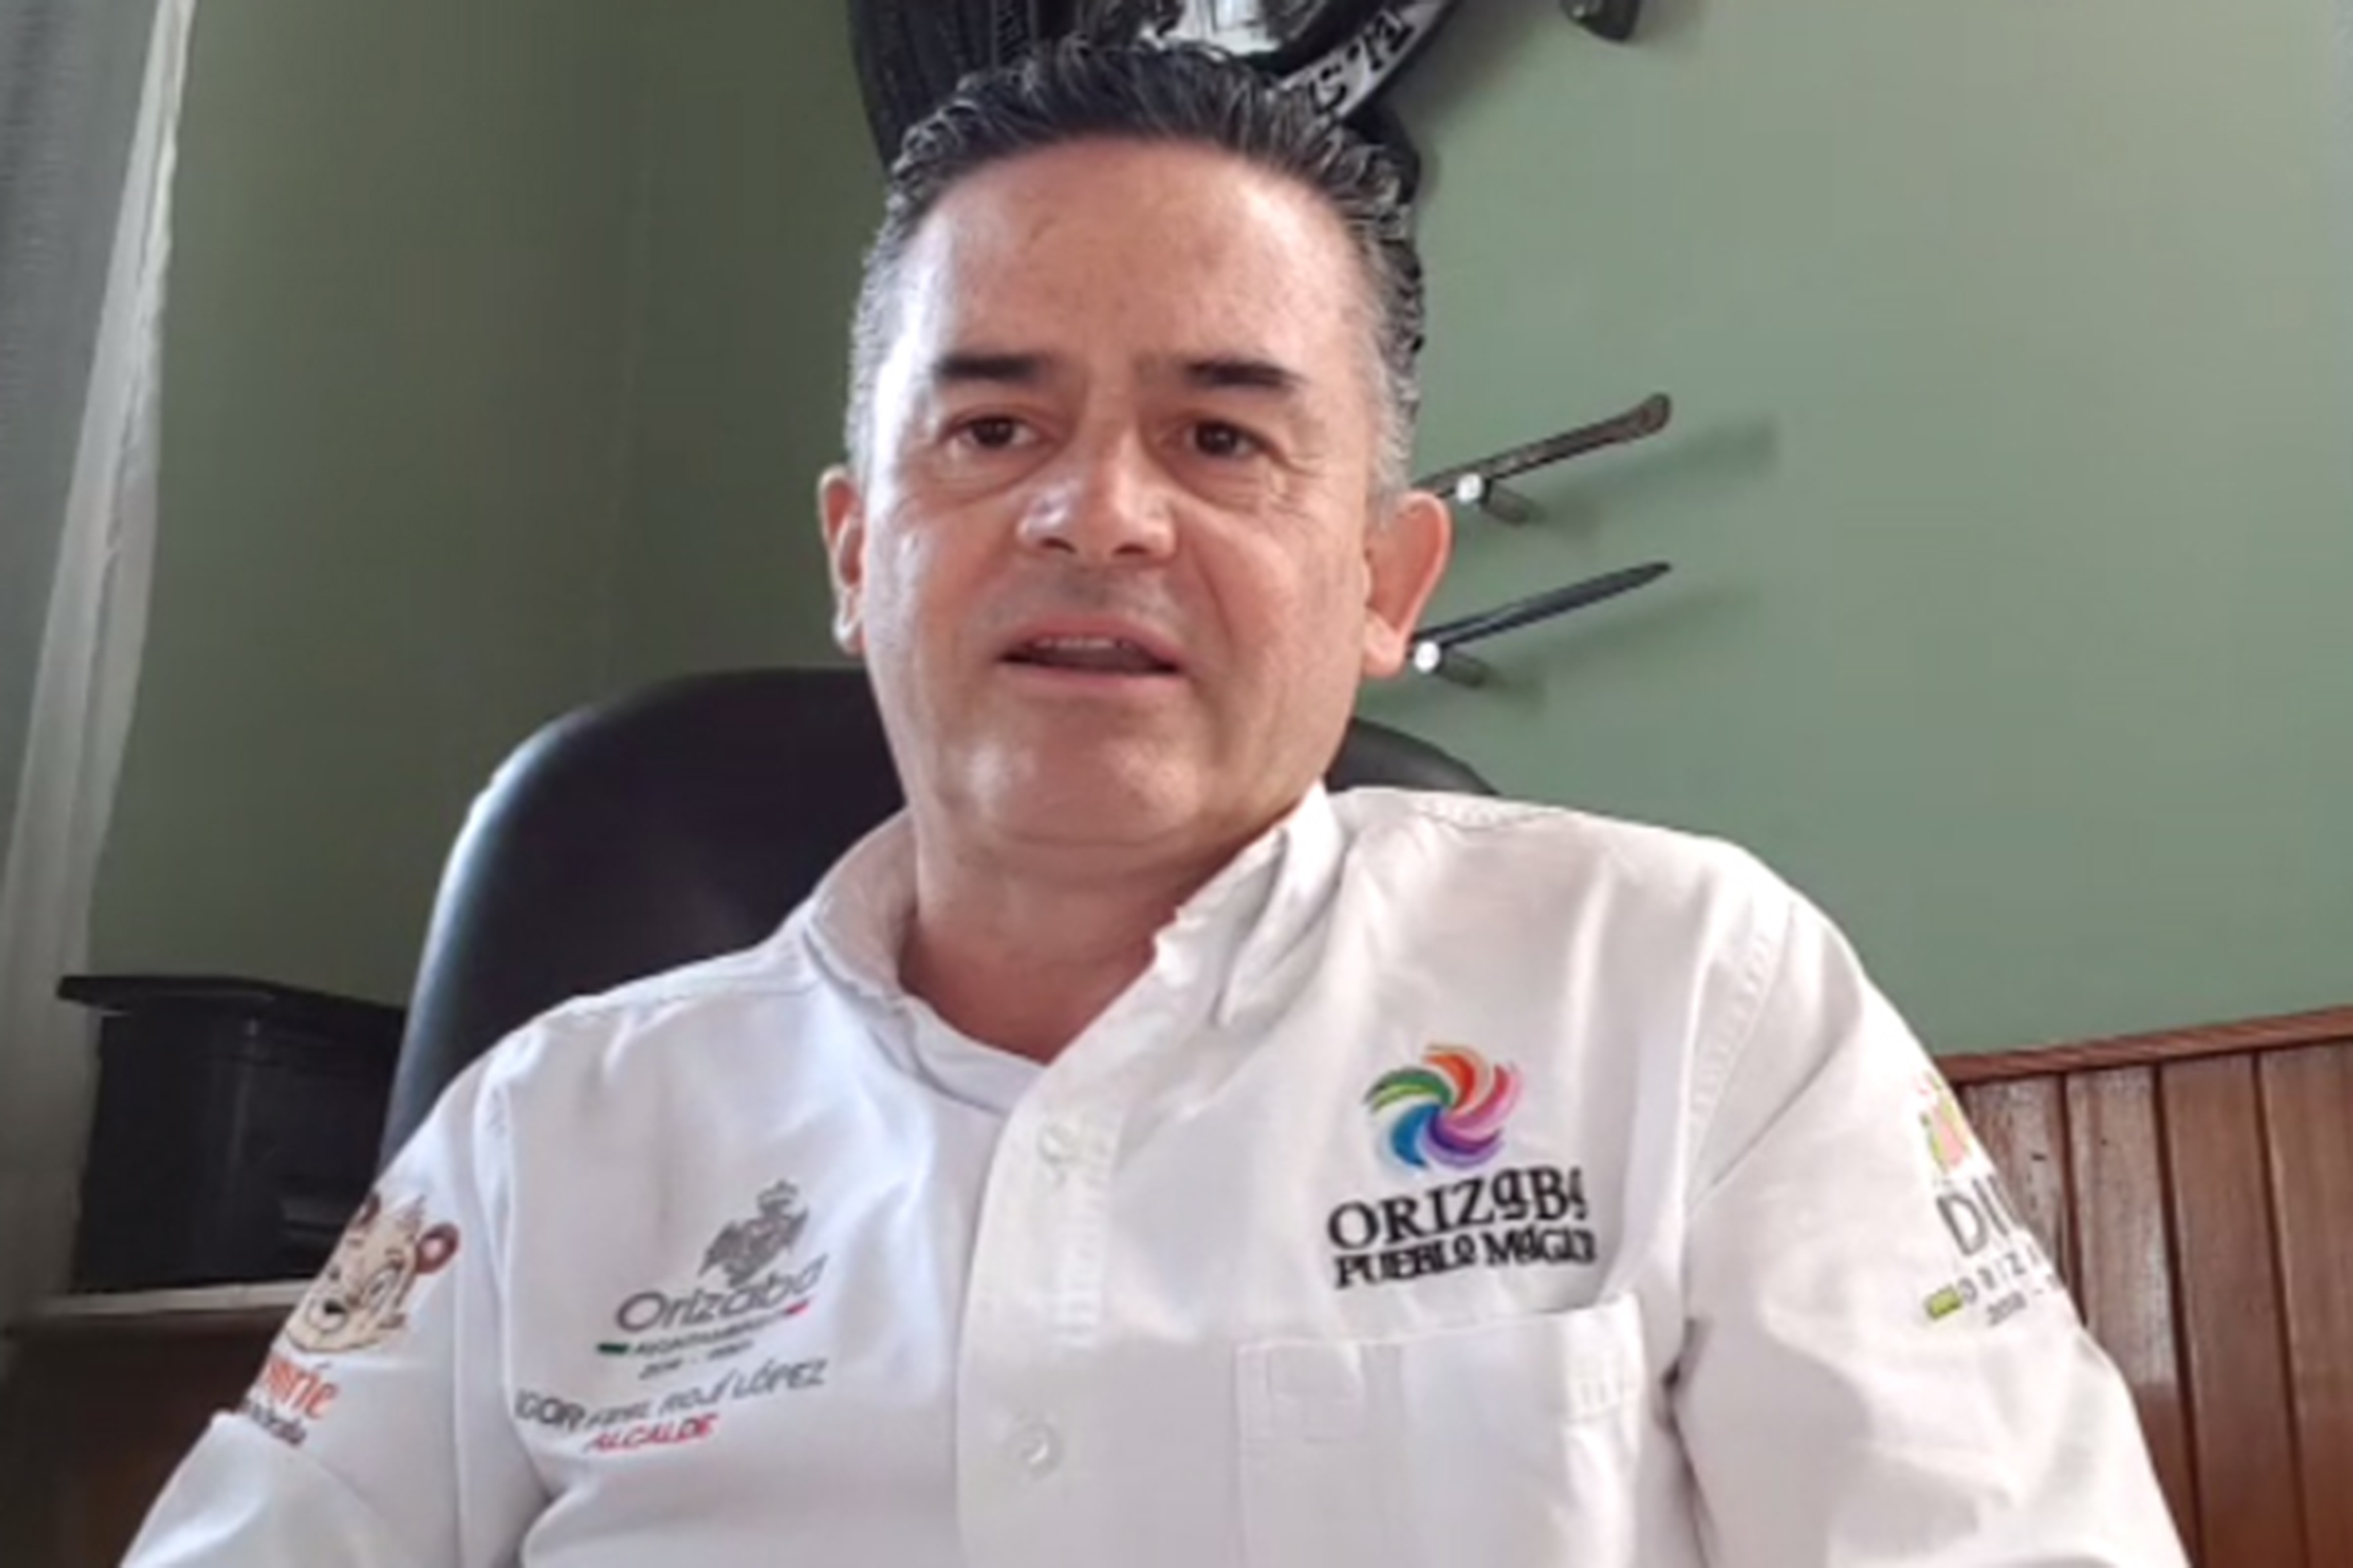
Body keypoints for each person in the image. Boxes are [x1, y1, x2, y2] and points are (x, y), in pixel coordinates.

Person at [127, 40, 2187, 1568]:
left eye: (1219, 436)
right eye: (991, 427)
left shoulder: (1685, 995)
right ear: (854, 552)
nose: (1094, 513)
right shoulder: (547, 1133)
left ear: (1383, 583)